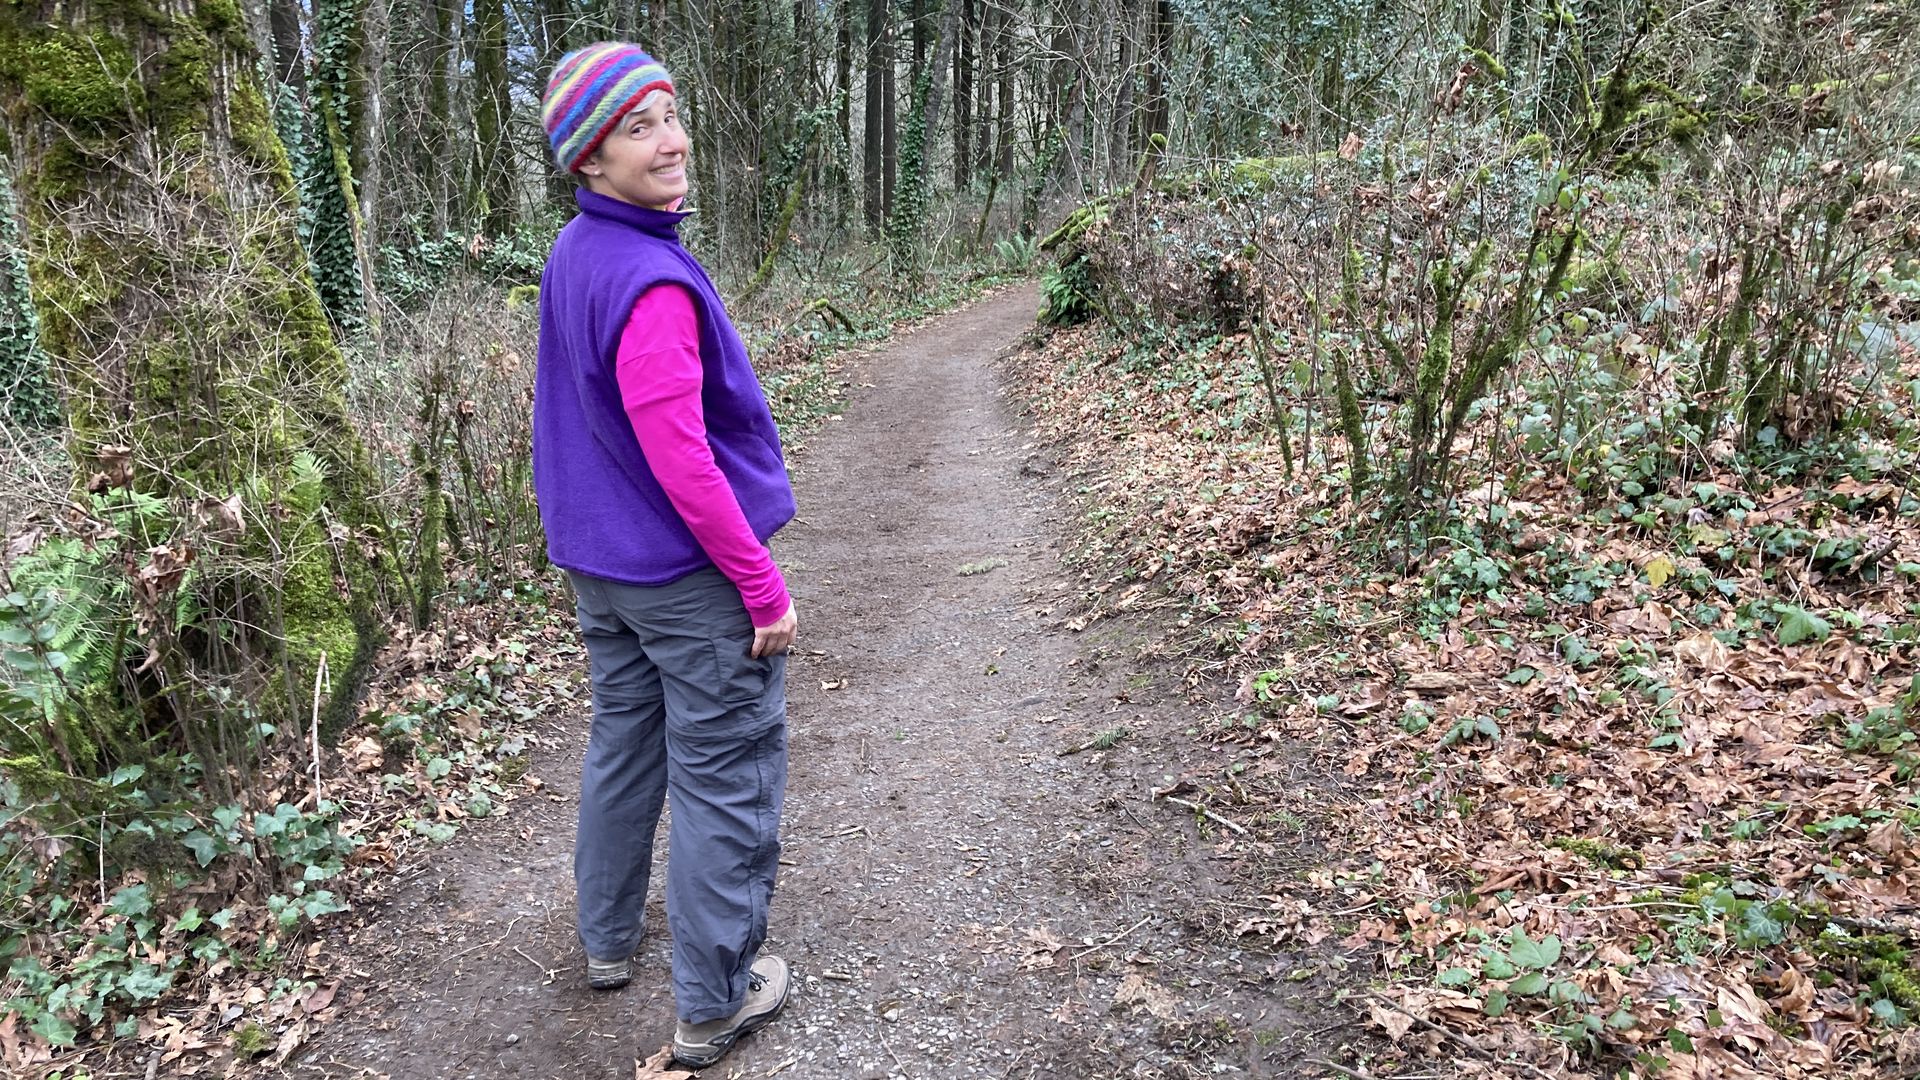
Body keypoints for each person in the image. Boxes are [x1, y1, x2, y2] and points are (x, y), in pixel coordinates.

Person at [533, 41, 797, 1068]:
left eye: (670, 113)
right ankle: (715, 999)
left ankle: (607, 943)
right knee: (725, 773)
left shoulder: (576, 252)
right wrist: (759, 581)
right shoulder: (649, 283)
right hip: (684, 580)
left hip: (600, 568)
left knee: (625, 743)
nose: (671, 140)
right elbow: (683, 460)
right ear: (587, 161)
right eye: (636, 127)